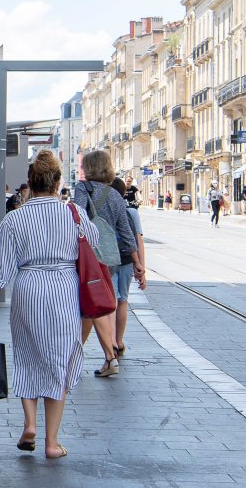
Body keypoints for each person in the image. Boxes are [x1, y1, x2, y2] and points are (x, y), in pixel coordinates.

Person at [0, 150, 96, 460]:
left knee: (28, 357)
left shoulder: (15, 218)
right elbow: (94, 243)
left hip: (28, 288)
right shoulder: (73, 213)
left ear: (29, 182)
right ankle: (51, 442)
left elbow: (1, 271)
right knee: (59, 359)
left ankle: (30, 424)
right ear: (57, 182)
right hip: (64, 289)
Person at [73, 150, 141, 378]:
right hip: (108, 259)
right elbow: (127, 232)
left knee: (87, 307)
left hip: (87, 256)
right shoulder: (114, 196)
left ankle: (75, 357)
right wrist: (137, 262)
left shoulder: (83, 189)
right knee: (94, 305)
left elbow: (78, 217)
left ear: (89, 168)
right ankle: (101, 357)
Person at [110, 178, 147, 358]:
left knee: (111, 302)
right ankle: (119, 341)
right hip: (126, 260)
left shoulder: (105, 211)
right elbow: (138, 241)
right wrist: (141, 268)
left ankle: (110, 344)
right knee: (123, 300)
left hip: (109, 260)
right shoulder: (132, 212)